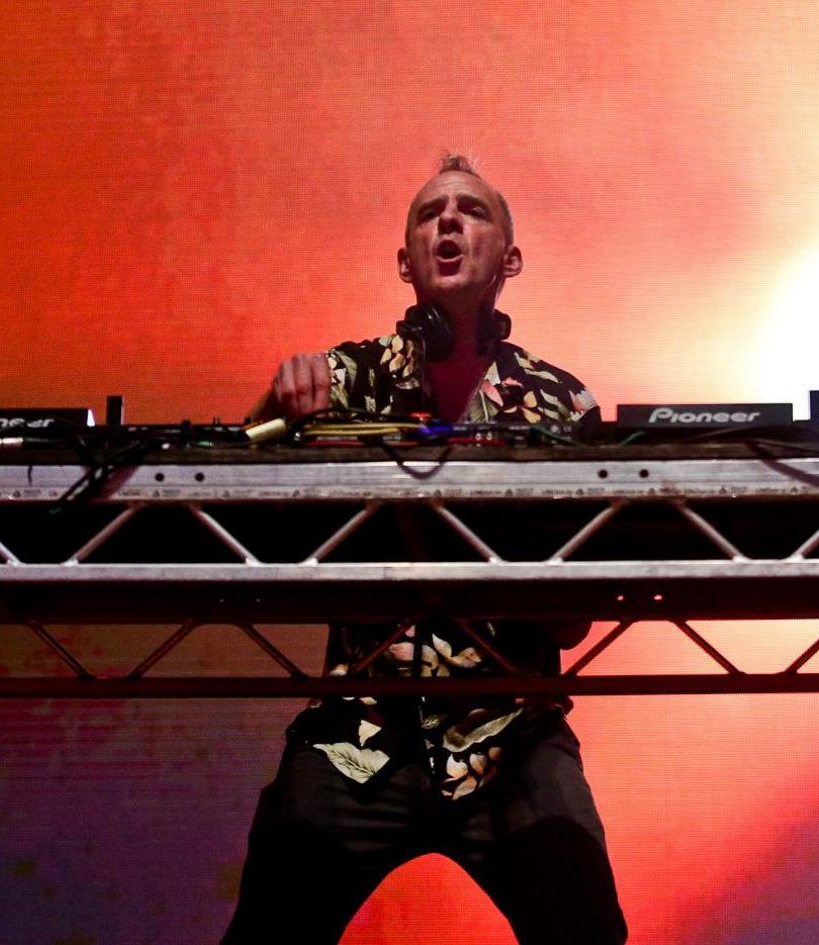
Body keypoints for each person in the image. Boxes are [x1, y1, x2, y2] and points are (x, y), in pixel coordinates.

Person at [225, 155, 627, 945]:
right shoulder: (349, 376)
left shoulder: (560, 399)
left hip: (511, 730)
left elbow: (576, 620)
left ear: (508, 259)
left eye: (470, 210)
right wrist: (278, 402)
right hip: (358, 733)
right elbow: (231, 471)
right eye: (428, 213)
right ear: (404, 259)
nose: (448, 221)